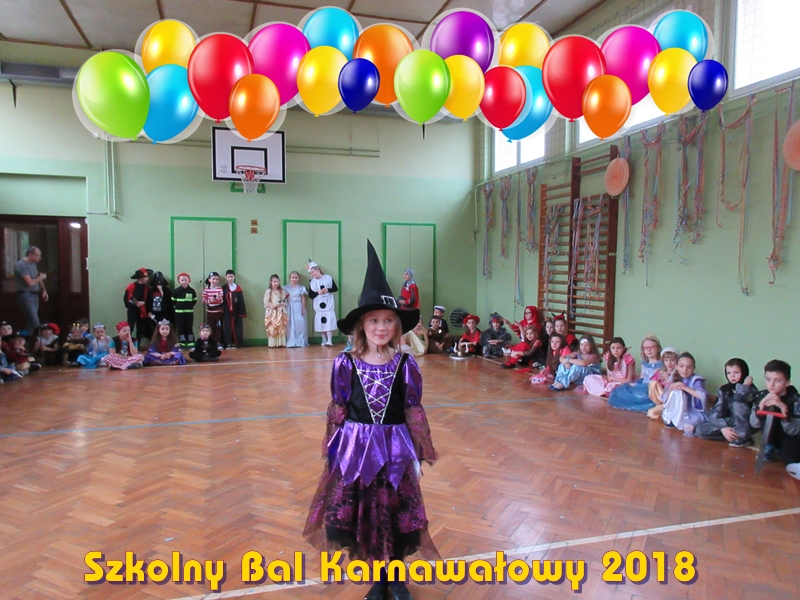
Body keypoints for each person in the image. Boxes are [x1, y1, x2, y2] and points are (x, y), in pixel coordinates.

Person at [303, 241, 438, 600]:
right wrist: (334, 452)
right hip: (356, 450)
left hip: (395, 450)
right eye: (374, 320)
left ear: (397, 325)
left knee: (394, 513)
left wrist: (417, 453)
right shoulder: (345, 364)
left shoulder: (405, 364)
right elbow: (338, 410)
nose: (381, 327)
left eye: (388, 320)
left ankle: (396, 579)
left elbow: (412, 410)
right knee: (367, 514)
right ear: (362, 324)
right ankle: (378, 580)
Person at [746, 360, 800, 477]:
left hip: (790, 437)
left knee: (790, 459)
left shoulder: (795, 399)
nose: (771, 384)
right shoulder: (761, 396)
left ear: (787, 382)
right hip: (770, 436)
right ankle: (770, 446)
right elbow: (753, 425)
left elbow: (794, 430)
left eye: (778, 381)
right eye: (768, 379)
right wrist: (760, 408)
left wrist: (783, 409)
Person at [695, 358, 756, 444]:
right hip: (729, 421)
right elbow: (715, 411)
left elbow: (739, 398)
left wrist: (745, 386)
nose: (732, 376)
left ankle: (743, 437)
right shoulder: (724, 389)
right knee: (699, 430)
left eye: (736, 373)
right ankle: (731, 435)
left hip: (745, 424)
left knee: (738, 404)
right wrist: (722, 427)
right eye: (729, 373)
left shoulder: (749, 389)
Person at [608, 335, 663, 413]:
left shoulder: (661, 364)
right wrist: (636, 385)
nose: (649, 350)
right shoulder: (644, 362)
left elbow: (656, 383)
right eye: (646, 348)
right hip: (642, 385)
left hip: (652, 389)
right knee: (620, 390)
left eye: (652, 347)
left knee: (642, 394)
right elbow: (642, 377)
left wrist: (638, 386)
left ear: (658, 348)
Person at [661, 352, 708, 434]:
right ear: (677, 367)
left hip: (692, 410)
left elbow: (702, 396)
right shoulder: (674, 378)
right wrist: (671, 389)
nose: (685, 370)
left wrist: (684, 387)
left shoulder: (696, 380)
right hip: (678, 409)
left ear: (693, 368)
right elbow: (665, 398)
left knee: (689, 426)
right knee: (676, 392)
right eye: (681, 366)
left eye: (689, 367)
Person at [14, 246, 48, 335]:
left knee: (32, 321)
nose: (39, 258)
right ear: (30, 255)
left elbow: (37, 277)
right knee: (34, 321)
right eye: (37, 256)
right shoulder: (21, 265)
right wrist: (41, 277)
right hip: (25, 295)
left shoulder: (33, 264)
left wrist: (44, 290)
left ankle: (25, 339)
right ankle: (21, 338)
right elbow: (30, 282)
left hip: (34, 295)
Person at [307, 261, 338, 346]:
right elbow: (311, 295)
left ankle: (329, 340)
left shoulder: (328, 278)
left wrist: (328, 290)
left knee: (328, 323)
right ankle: (324, 339)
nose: (312, 274)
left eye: (313, 272)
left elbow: (335, 288)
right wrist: (318, 293)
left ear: (318, 270)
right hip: (319, 306)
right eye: (311, 273)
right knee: (321, 323)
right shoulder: (312, 282)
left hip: (328, 305)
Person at [646, 347, 680, 420]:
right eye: (666, 360)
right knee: (653, 383)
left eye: (672, 360)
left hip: (670, 400)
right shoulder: (660, 372)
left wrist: (668, 380)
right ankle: (660, 406)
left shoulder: (678, 374)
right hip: (659, 399)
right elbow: (652, 385)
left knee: (651, 412)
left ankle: (664, 411)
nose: (669, 363)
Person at [124, 268, 150, 343]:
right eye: (146, 277)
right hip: (132, 309)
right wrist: (128, 306)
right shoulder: (131, 286)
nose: (147, 279)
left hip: (141, 311)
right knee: (130, 327)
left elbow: (148, 300)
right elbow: (126, 297)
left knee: (140, 328)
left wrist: (143, 303)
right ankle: (129, 344)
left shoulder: (146, 288)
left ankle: (138, 345)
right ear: (141, 278)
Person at [172, 272, 197, 348]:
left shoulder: (192, 291)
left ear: (189, 280)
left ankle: (190, 343)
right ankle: (182, 343)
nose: (184, 281)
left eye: (185, 280)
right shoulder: (176, 291)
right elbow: (173, 300)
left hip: (189, 312)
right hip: (179, 313)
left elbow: (194, 300)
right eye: (182, 280)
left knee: (189, 327)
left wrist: (189, 306)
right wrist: (178, 306)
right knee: (180, 328)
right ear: (179, 281)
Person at [222, 270, 247, 349]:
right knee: (228, 327)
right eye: (228, 277)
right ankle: (228, 342)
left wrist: (241, 312)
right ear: (226, 278)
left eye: (231, 277)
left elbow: (241, 301)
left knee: (237, 327)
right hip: (227, 311)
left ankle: (236, 343)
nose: (230, 278)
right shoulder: (224, 288)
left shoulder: (238, 288)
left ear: (234, 277)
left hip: (236, 311)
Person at [284, 271, 308, 348]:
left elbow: (303, 299)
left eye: (296, 278)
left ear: (298, 278)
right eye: (293, 278)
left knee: (299, 323)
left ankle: (299, 340)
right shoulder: (286, 288)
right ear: (290, 278)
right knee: (290, 323)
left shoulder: (301, 288)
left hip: (298, 306)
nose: (294, 279)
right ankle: (291, 340)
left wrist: (303, 308)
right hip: (289, 306)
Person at [263, 274, 288, 348]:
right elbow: (266, 302)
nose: (276, 283)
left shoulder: (281, 291)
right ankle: (272, 343)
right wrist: (271, 306)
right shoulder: (268, 291)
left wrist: (278, 305)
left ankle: (281, 343)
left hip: (280, 310)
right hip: (272, 311)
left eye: (277, 281)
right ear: (270, 282)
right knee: (272, 327)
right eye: (274, 281)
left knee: (281, 326)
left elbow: (284, 301)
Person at [202, 272, 225, 350]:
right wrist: (210, 300)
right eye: (213, 279)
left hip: (218, 311)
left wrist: (218, 299)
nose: (215, 281)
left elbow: (221, 300)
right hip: (210, 311)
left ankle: (219, 342)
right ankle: (211, 342)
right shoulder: (206, 289)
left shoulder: (220, 289)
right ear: (209, 280)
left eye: (216, 279)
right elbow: (204, 300)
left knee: (219, 327)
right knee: (210, 327)